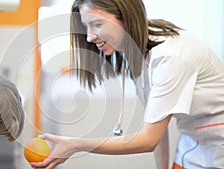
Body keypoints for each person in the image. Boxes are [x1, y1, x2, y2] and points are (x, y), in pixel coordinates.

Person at [30, 0, 224, 169]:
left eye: (97, 24)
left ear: (126, 18)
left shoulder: (170, 57)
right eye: (86, 27)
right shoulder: (138, 54)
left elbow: (149, 140)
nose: (89, 37)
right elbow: (158, 127)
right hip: (192, 144)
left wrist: (76, 144)